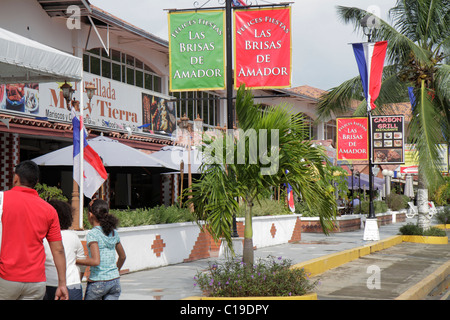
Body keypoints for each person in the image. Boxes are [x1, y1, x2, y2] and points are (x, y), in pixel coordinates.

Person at [0, 160, 69, 300]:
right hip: (36, 281)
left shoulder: (2, 199)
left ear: (16, 178)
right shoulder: (49, 210)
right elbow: (58, 250)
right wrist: (62, 283)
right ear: (36, 182)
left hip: (6, 277)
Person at [77, 199, 126, 300]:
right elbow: (123, 256)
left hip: (97, 282)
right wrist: (114, 272)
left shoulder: (93, 234)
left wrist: (75, 260)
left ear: (91, 215)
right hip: (115, 281)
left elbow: (95, 261)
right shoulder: (113, 233)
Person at [44, 199, 86, 300]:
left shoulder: (43, 238)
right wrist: (77, 279)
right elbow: (82, 263)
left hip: (48, 283)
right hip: (72, 284)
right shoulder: (73, 236)